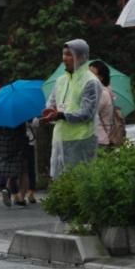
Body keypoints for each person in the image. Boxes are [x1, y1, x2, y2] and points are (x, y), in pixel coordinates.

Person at [41, 39, 100, 175]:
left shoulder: (91, 82)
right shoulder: (60, 81)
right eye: (63, 54)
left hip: (82, 140)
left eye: (69, 54)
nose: (64, 58)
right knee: (59, 181)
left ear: (80, 57)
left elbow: (87, 114)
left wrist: (60, 115)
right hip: (60, 138)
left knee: (80, 181)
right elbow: (51, 102)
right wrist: (49, 112)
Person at [90, 60, 117, 150]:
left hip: (98, 140)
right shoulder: (107, 90)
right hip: (99, 138)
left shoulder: (101, 93)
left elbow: (89, 113)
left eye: (91, 74)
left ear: (101, 77)